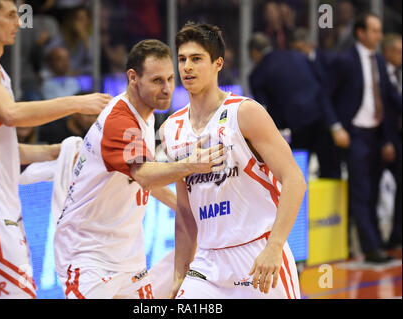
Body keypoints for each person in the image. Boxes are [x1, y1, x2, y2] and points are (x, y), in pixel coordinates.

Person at [0, 0, 110, 299]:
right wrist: (78, 102)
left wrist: (55, 151)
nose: (19, 22)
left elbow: (2, 147)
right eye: (11, 15)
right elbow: (12, 114)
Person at [53, 39, 226, 299]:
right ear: (133, 78)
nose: (167, 88)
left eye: (170, 78)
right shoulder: (121, 121)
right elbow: (143, 175)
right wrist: (192, 164)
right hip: (87, 255)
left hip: (127, 256)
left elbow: (145, 180)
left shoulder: (145, 115)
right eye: (157, 81)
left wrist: (191, 212)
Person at [162, 22, 306, 299]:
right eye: (181, 59)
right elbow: (184, 210)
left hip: (256, 254)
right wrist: (180, 272)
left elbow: (294, 180)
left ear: (218, 63)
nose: (187, 67)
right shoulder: (171, 129)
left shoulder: (245, 113)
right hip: (206, 262)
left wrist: (275, 246)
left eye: (196, 59)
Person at [326, 13, 402, 263]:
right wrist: (336, 127)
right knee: (361, 190)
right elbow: (325, 95)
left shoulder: (378, 60)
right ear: (360, 33)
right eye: (374, 31)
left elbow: (390, 96)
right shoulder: (344, 60)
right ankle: (370, 248)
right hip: (355, 133)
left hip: (377, 134)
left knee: (374, 191)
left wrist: (387, 138)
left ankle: (376, 240)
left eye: (380, 31)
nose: (379, 36)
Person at [249, 32, 340, 179]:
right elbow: (322, 86)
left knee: (296, 171)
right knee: (330, 169)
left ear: (254, 53)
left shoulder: (258, 73)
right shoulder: (299, 57)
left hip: (295, 126)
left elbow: (262, 110)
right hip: (320, 118)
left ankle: (300, 202)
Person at [381, 33, 402, 250]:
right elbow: (384, 112)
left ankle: (396, 235)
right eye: (398, 51)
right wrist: (386, 140)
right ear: (388, 51)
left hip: (396, 138)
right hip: (383, 139)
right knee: (369, 191)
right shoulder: (381, 73)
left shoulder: (396, 73)